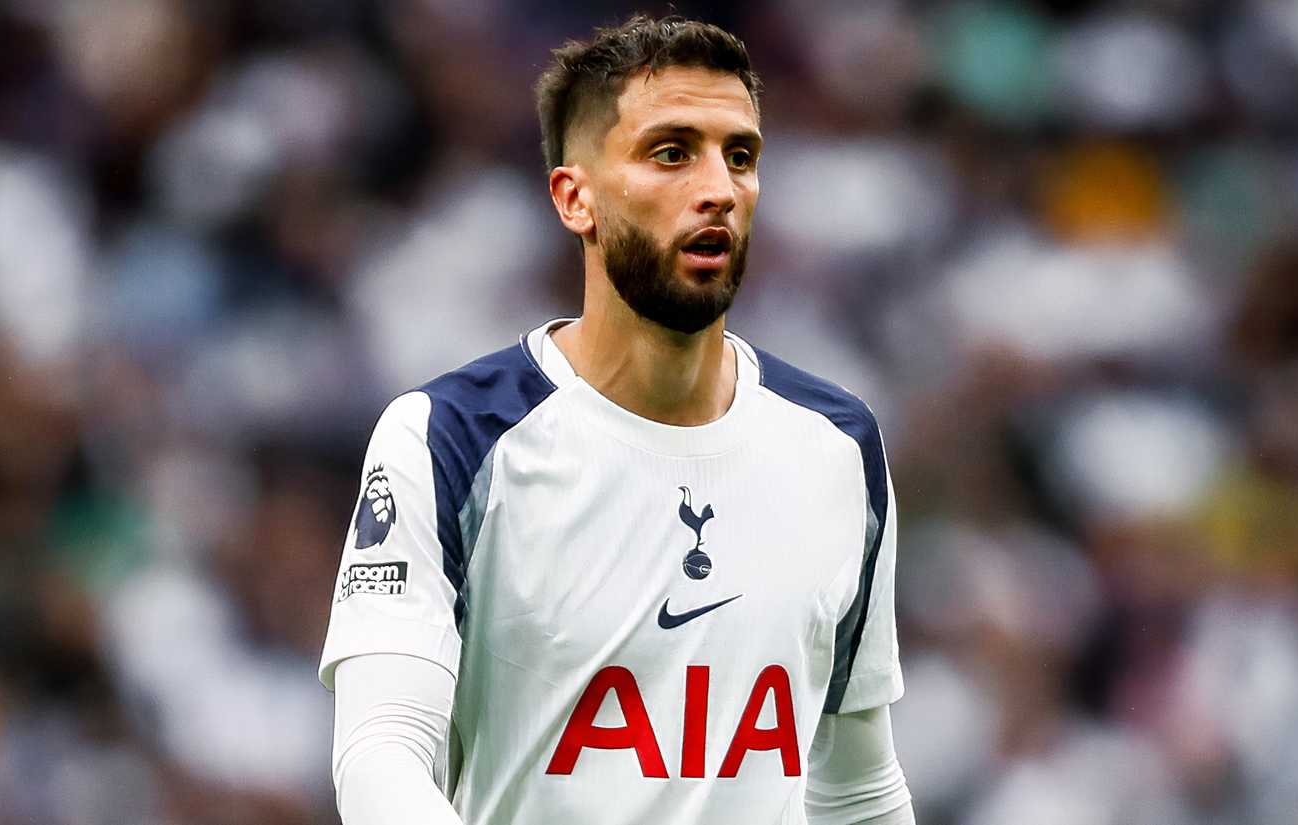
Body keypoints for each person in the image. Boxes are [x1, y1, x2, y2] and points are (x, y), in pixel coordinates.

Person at [319, 15, 915, 825]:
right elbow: (380, 754)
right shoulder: (448, 437)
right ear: (576, 197)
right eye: (672, 152)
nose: (717, 188)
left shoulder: (839, 445)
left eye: (739, 155)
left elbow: (858, 787)